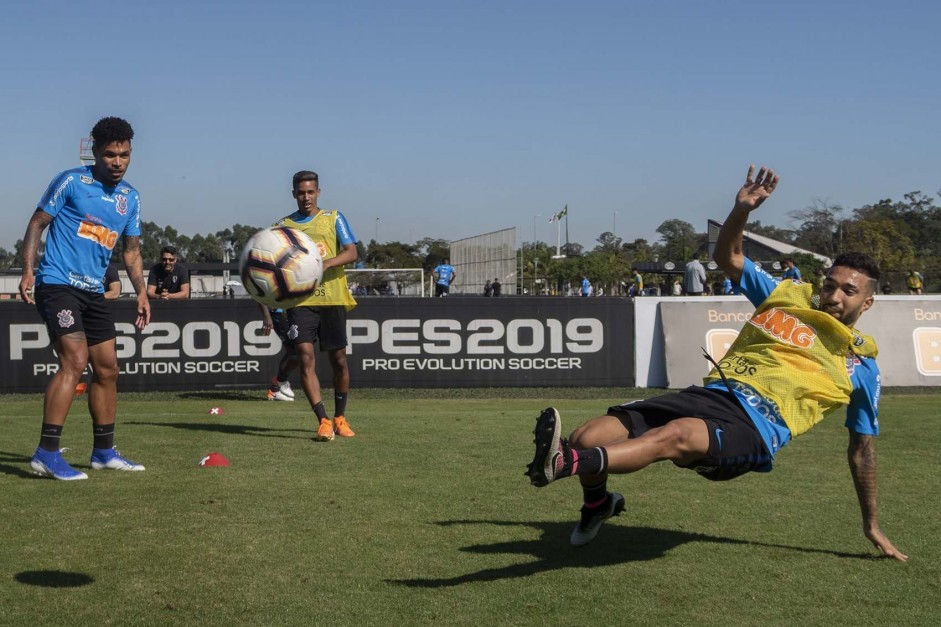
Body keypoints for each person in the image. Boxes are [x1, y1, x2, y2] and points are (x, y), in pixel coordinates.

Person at [525, 165, 906, 561]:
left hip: (755, 427)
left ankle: (564, 463)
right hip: (713, 395)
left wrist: (871, 523)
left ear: (867, 301)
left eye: (849, 291)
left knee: (676, 435)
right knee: (590, 436)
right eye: (830, 285)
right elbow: (729, 256)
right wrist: (741, 209)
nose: (834, 296)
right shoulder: (786, 297)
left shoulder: (861, 364)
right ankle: (596, 504)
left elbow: (862, 448)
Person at [19, 116, 150, 480]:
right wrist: (28, 269)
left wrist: (142, 292)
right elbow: (37, 223)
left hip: (93, 293)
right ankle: (46, 453)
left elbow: (132, 251)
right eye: (110, 154)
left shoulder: (130, 197)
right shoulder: (72, 182)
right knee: (74, 361)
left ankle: (104, 452)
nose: (118, 162)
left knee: (108, 369)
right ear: (94, 152)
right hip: (58, 284)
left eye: (124, 154)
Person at [269, 170, 359, 441]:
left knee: (339, 360)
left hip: (332, 298)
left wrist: (324, 263)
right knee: (306, 357)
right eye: (301, 192)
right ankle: (322, 420)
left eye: (310, 192)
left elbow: (352, 252)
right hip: (301, 302)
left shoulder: (334, 218)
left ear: (318, 191)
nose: (306, 197)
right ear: (294, 194)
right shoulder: (283, 225)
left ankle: (340, 417)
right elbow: (273, 261)